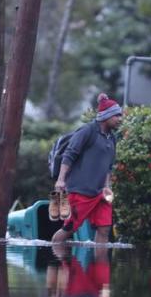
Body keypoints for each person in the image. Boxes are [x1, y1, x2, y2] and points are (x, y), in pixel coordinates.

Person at [51, 93, 123, 245]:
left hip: (101, 194)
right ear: (106, 116)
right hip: (81, 192)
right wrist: (61, 180)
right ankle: (54, 260)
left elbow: (109, 166)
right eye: (116, 115)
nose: (120, 119)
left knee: (104, 229)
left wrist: (107, 187)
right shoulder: (87, 131)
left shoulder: (112, 138)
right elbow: (69, 155)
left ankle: (99, 268)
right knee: (69, 228)